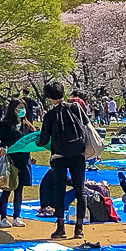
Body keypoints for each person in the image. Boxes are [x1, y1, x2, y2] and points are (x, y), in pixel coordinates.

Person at [36, 82, 89, 240]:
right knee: (80, 190)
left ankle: (61, 227)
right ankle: (79, 228)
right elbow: (86, 124)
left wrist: (39, 142)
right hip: (78, 153)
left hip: (59, 155)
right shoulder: (75, 108)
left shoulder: (50, 115)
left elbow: (44, 138)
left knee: (59, 190)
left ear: (49, 96)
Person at [0, 100, 34, 228]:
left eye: (24, 107)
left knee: (19, 189)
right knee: (7, 189)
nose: (22, 110)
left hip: (23, 160)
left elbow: (33, 140)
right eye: (20, 107)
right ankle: (3, 218)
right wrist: (0, 149)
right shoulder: (5, 124)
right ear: (13, 109)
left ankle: (17, 216)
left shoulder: (27, 125)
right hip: (11, 160)